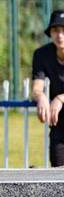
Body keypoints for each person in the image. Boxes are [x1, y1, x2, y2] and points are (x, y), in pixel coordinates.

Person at [32, 9, 64, 167]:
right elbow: (37, 87)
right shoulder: (42, 55)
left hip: (58, 108)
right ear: (50, 33)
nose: (60, 35)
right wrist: (41, 97)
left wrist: (60, 98)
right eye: (56, 30)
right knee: (58, 178)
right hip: (58, 126)